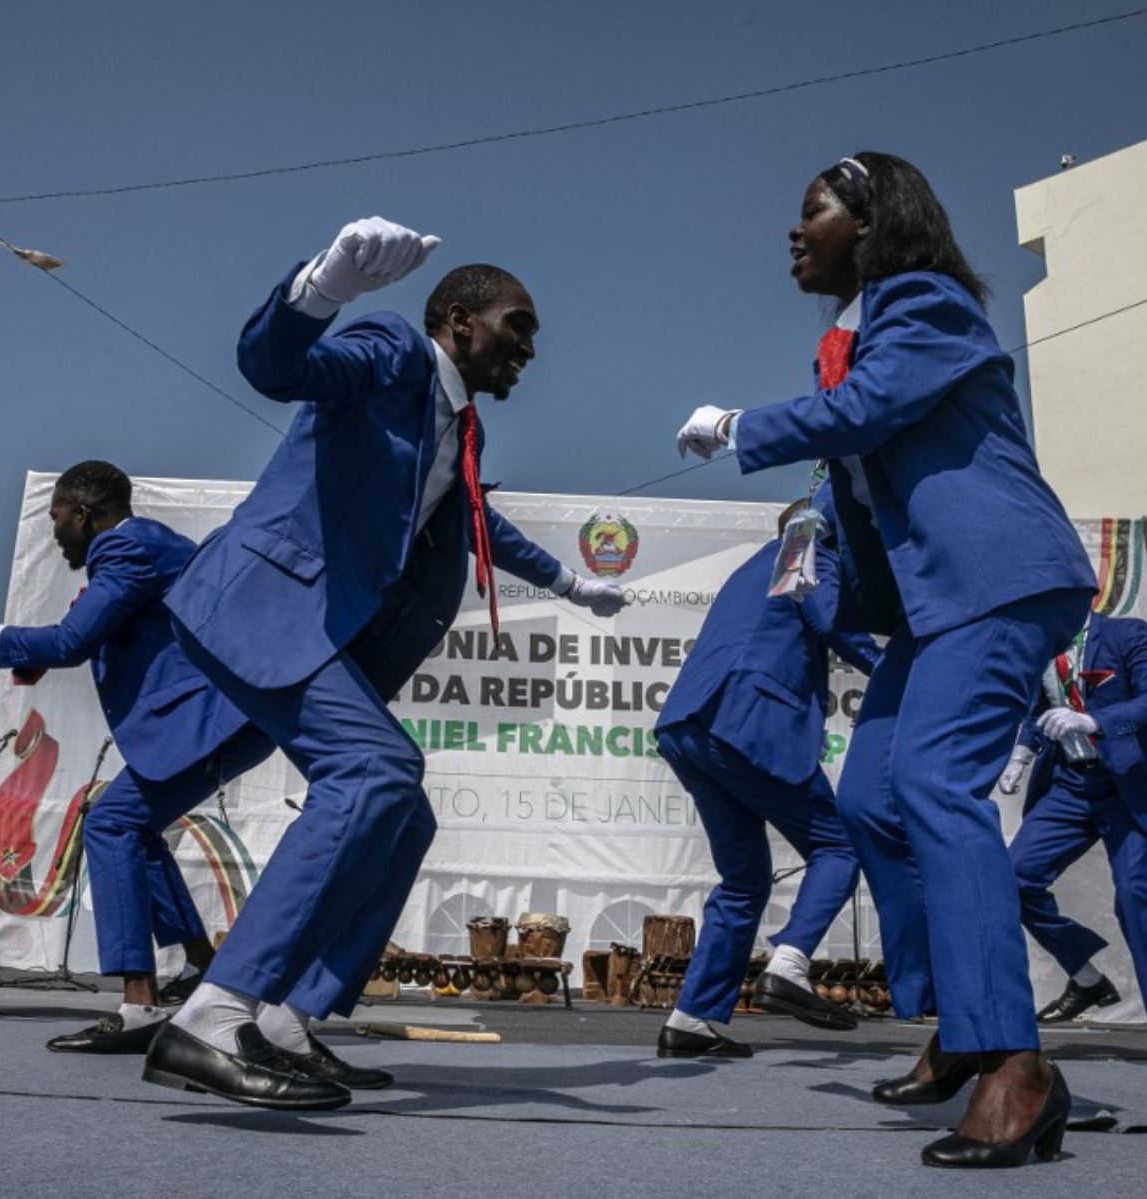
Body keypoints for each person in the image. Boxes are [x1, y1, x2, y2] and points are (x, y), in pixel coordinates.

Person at [150, 216, 630, 1111]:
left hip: (321, 638)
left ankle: (290, 1016)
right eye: (516, 325)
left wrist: (570, 582)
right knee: (375, 768)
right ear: (457, 320)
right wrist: (324, 292)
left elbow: (483, 527)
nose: (529, 346)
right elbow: (281, 369)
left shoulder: (460, 426)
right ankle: (212, 1015)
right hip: (264, 607)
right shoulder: (391, 352)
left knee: (402, 814)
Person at [675, 153, 1097, 1168]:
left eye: (810, 209)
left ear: (868, 220)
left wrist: (742, 426)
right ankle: (961, 1015)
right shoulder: (867, 338)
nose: (793, 230)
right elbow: (870, 465)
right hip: (934, 604)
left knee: (934, 782)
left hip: (996, 576)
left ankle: (1016, 1062)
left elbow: (866, 415)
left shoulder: (927, 302)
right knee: (869, 795)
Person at [0, 460, 275, 1056]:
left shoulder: (126, 547)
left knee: (110, 822)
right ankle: (201, 968)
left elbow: (73, 641)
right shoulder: (146, 548)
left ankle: (138, 1006)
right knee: (133, 827)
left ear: (83, 514)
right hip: (224, 719)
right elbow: (93, 634)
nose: (55, 534)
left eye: (58, 519)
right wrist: (34, 652)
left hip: (209, 721)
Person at [654, 489, 930, 1057]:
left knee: (745, 880)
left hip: (690, 725)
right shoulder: (809, 549)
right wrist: (898, 672)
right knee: (839, 843)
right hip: (745, 723)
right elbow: (829, 618)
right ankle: (791, 962)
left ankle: (691, 1020)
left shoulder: (752, 565)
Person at [1001, 609, 1147, 1075]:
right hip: (1069, 786)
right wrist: (1021, 754)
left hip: (1129, 787)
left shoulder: (1126, 634)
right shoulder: (1039, 640)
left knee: (1138, 901)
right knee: (1012, 881)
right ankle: (1086, 977)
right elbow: (1039, 708)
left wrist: (1093, 721)